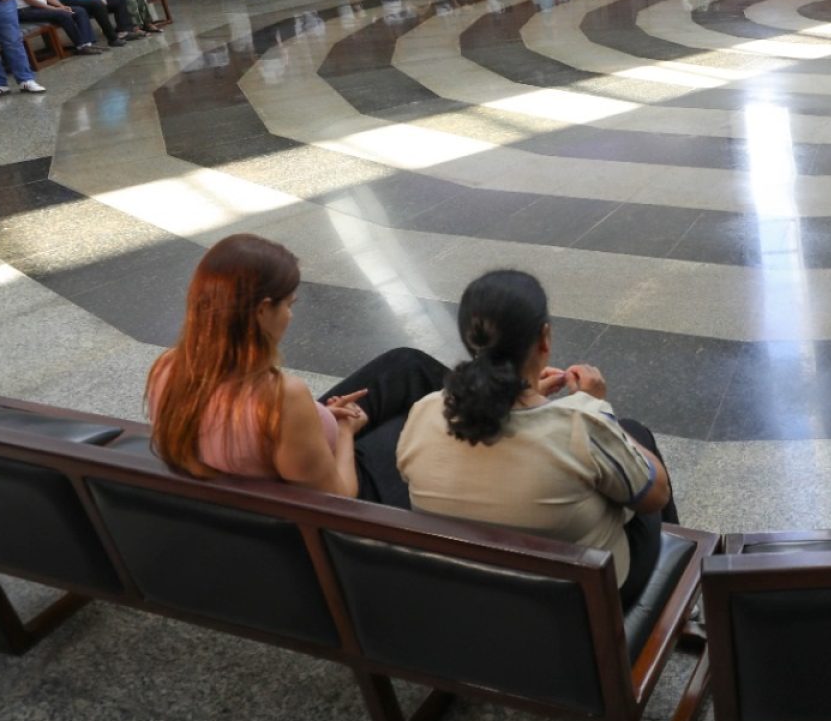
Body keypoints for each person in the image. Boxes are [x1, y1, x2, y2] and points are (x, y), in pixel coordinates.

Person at [397, 270, 678, 608]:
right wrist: (597, 408)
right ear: (544, 338)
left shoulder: (425, 410)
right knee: (635, 439)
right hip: (577, 603)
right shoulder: (581, 424)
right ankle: (682, 589)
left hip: (467, 589)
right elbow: (656, 496)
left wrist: (517, 397)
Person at [147, 234, 447, 507]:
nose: (290, 316)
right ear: (263, 310)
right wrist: (344, 432)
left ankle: (481, 394)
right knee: (425, 417)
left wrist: (325, 418)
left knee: (406, 363)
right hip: (341, 499)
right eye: (288, 305)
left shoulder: (168, 366)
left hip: (282, 465)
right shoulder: (283, 397)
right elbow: (339, 497)